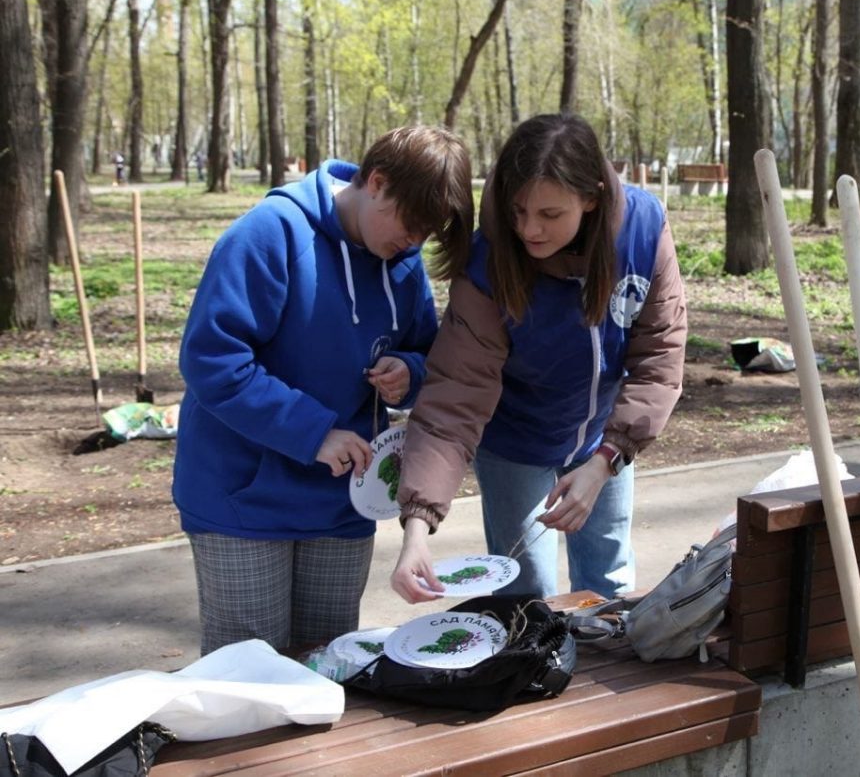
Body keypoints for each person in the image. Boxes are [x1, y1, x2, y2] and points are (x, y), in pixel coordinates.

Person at [173, 126, 473, 654]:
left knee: (327, 665)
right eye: (411, 225)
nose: (415, 243)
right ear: (376, 182)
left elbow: (429, 355)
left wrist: (408, 372)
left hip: (341, 505)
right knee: (249, 679)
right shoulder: (270, 234)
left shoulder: (401, 264)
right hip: (243, 500)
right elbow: (213, 361)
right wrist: (314, 434)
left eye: (427, 234)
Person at [390, 113, 687, 603]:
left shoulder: (643, 231)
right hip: (514, 441)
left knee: (606, 584)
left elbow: (660, 353)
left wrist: (607, 460)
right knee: (523, 591)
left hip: (604, 437)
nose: (529, 229)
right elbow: (454, 395)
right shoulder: (490, 261)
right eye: (519, 210)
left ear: (591, 198)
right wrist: (418, 524)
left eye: (550, 215)